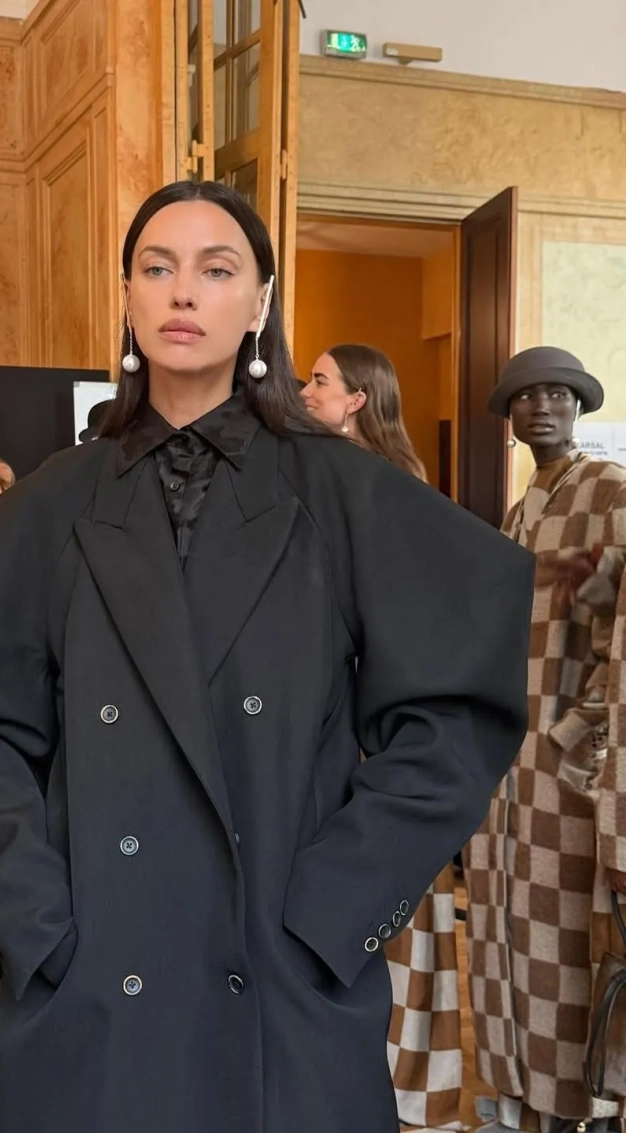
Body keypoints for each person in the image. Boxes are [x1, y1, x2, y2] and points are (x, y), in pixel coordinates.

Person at [0, 180, 534, 1133]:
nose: (183, 290)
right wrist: (31, 921)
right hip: (94, 981)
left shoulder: (340, 491)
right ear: (128, 296)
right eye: (158, 267)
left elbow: (455, 713)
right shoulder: (53, 501)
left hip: (278, 980)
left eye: (216, 269)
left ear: (260, 302)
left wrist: (336, 909)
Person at [467, 346, 626, 1133]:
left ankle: (575, 1103)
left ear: (581, 405)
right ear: (510, 413)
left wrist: (574, 739)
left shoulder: (611, 491)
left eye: (559, 393)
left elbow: (617, 634)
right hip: (508, 762)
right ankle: (520, 1097)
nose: (542, 407)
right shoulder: (518, 510)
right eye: (526, 396)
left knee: (564, 940)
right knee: (506, 924)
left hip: (567, 766)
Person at [304, 342, 462, 1129]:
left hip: (382, 726)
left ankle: (404, 1087)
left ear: (358, 399)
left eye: (319, 381)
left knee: (392, 902)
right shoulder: (317, 478)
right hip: (331, 721)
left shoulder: (394, 488)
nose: (305, 391)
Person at [301, 344, 426, 479]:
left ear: (356, 401)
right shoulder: (314, 455)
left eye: (320, 383)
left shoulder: (391, 473)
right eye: (310, 381)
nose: (304, 392)